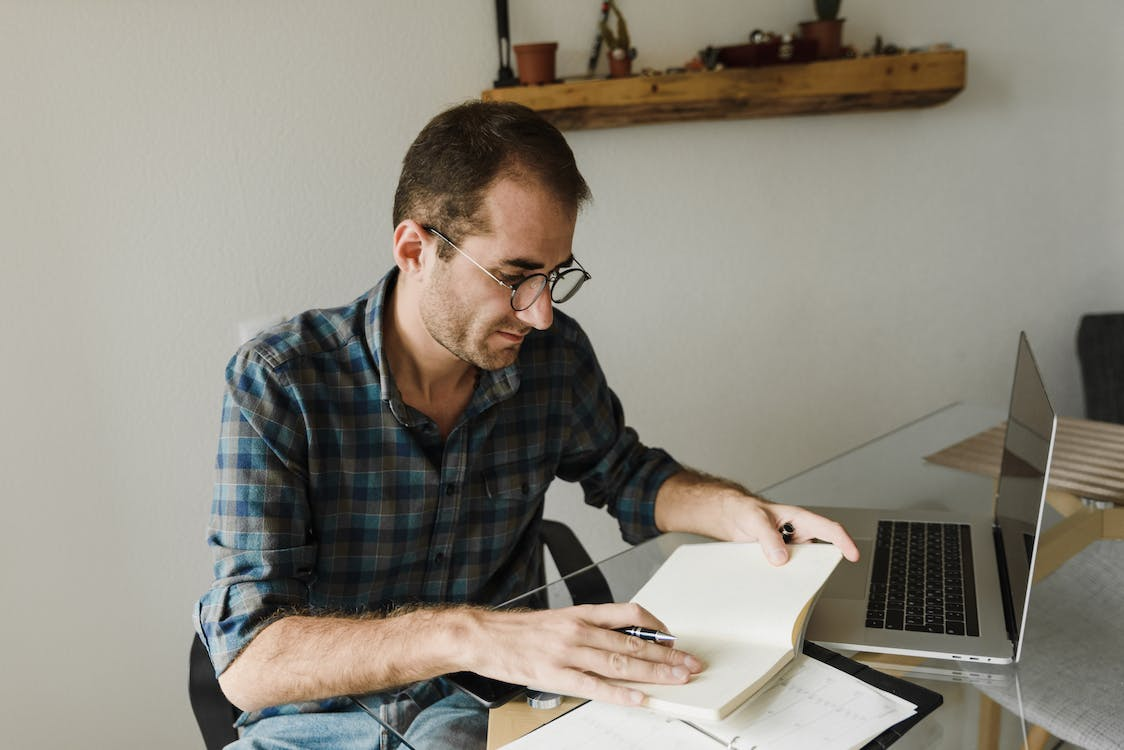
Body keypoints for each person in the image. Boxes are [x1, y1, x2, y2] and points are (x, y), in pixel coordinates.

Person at [194, 100, 859, 748]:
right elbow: (250, 660)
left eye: (554, 276)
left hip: (498, 712)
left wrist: (740, 512)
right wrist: (471, 635)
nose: (540, 313)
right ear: (415, 249)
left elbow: (627, 476)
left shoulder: (553, 358)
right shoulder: (282, 382)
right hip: (319, 726)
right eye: (515, 277)